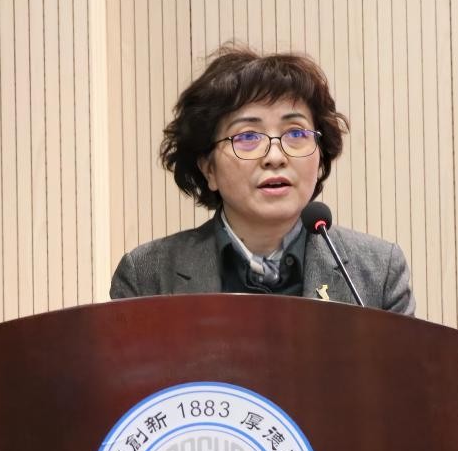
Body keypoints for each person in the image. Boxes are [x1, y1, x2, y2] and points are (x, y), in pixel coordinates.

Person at [109, 45, 415, 316]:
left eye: (296, 133)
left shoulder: (378, 272)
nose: (275, 156)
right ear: (208, 169)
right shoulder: (148, 277)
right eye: (247, 137)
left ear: (320, 155)